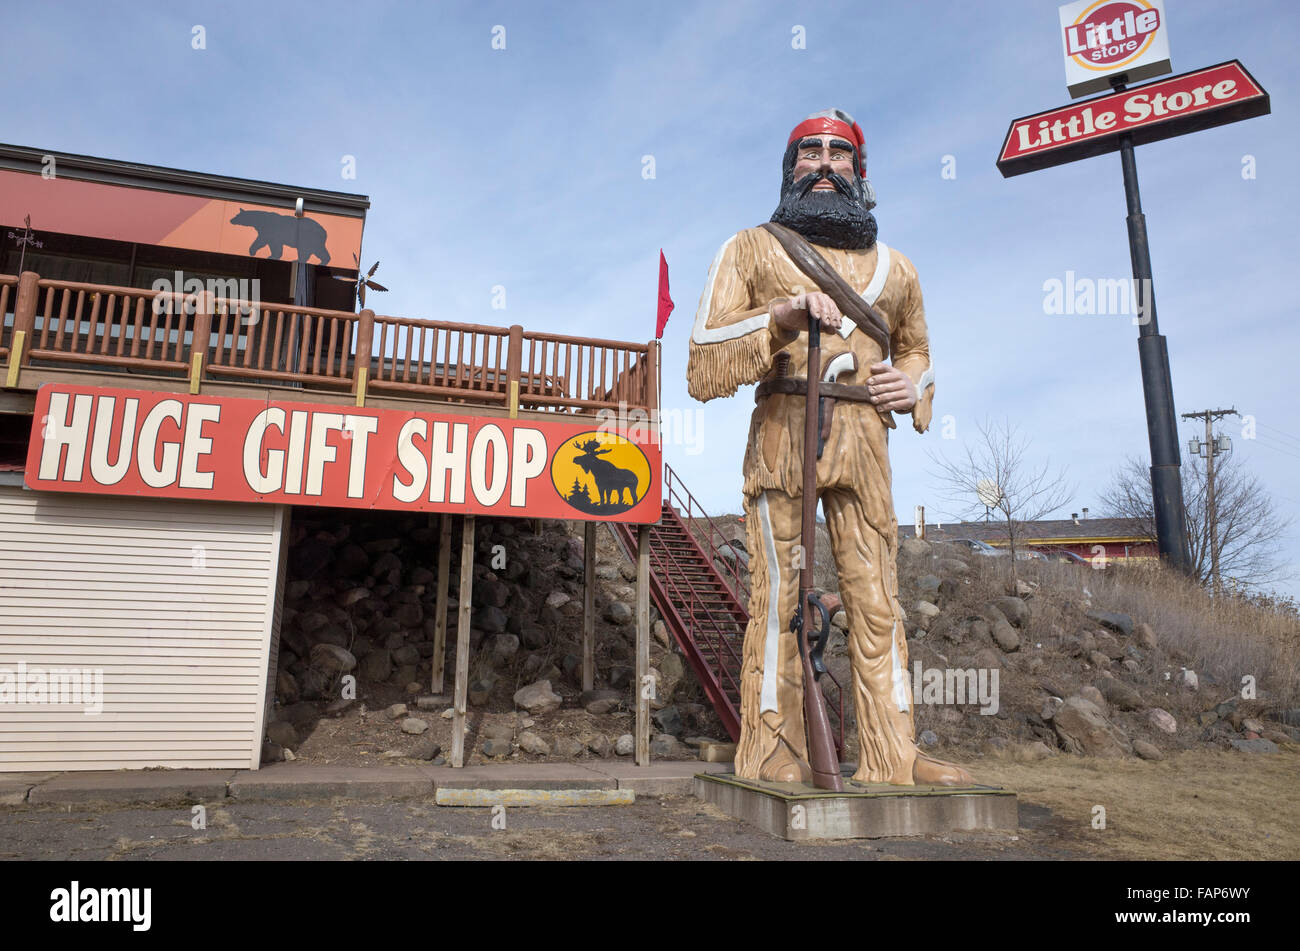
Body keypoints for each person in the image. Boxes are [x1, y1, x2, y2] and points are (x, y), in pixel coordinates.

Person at [686, 108, 971, 786]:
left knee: (878, 598)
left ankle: (892, 750)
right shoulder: (749, 249)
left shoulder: (897, 269)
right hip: (786, 430)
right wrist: (780, 317)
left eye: (837, 153)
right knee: (782, 592)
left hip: (866, 439)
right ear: (790, 170)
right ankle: (771, 744)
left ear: (858, 171)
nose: (821, 162)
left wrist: (914, 383)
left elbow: (919, 347)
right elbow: (702, 358)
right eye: (808, 152)